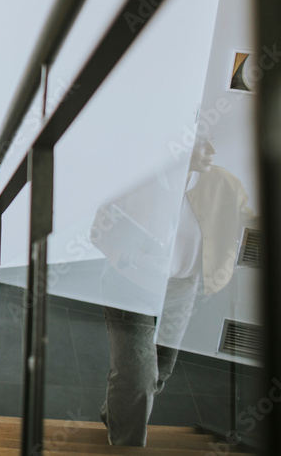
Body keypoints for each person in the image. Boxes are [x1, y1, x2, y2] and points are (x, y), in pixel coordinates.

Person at [92, 135, 256, 446]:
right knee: (137, 379)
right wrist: (137, 259)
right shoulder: (136, 179)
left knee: (159, 372)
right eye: (203, 142)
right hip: (130, 288)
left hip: (182, 289)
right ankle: (126, 446)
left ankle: (117, 410)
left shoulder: (223, 182)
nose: (213, 150)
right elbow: (100, 231)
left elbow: (247, 217)